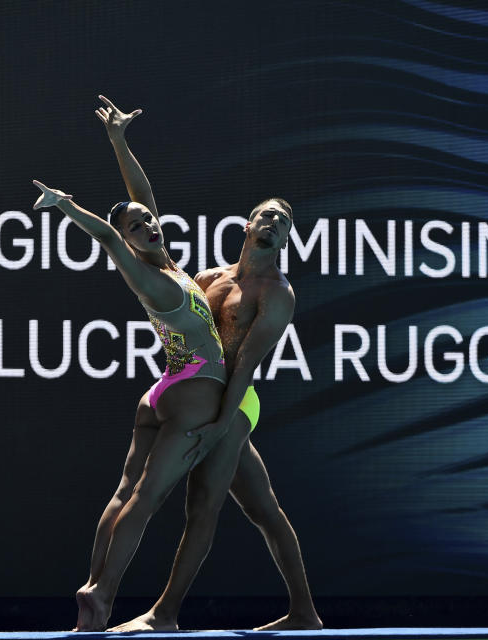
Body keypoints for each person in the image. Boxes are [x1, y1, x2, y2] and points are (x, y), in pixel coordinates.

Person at [84, 96, 322, 632]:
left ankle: (164, 614)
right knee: (264, 507)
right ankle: (305, 613)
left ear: (286, 238)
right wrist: (120, 142)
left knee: (203, 506)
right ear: (248, 223)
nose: (278, 222)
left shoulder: (278, 295)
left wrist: (220, 427)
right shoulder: (211, 278)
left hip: (236, 401)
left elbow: (246, 366)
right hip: (206, 395)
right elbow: (144, 208)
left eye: (286, 222)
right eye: (270, 214)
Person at [30, 178, 231, 632]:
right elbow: (106, 234)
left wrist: (119, 140)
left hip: (163, 389)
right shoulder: (143, 271)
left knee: (125, 493)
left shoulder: (165, 261)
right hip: (193, 388)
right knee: (144, 498)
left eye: (149, 220)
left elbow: (143, 196)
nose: (148, 225)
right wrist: (67, 206)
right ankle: (102, 593)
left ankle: (93, 586)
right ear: (127, 241)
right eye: (136, 227)